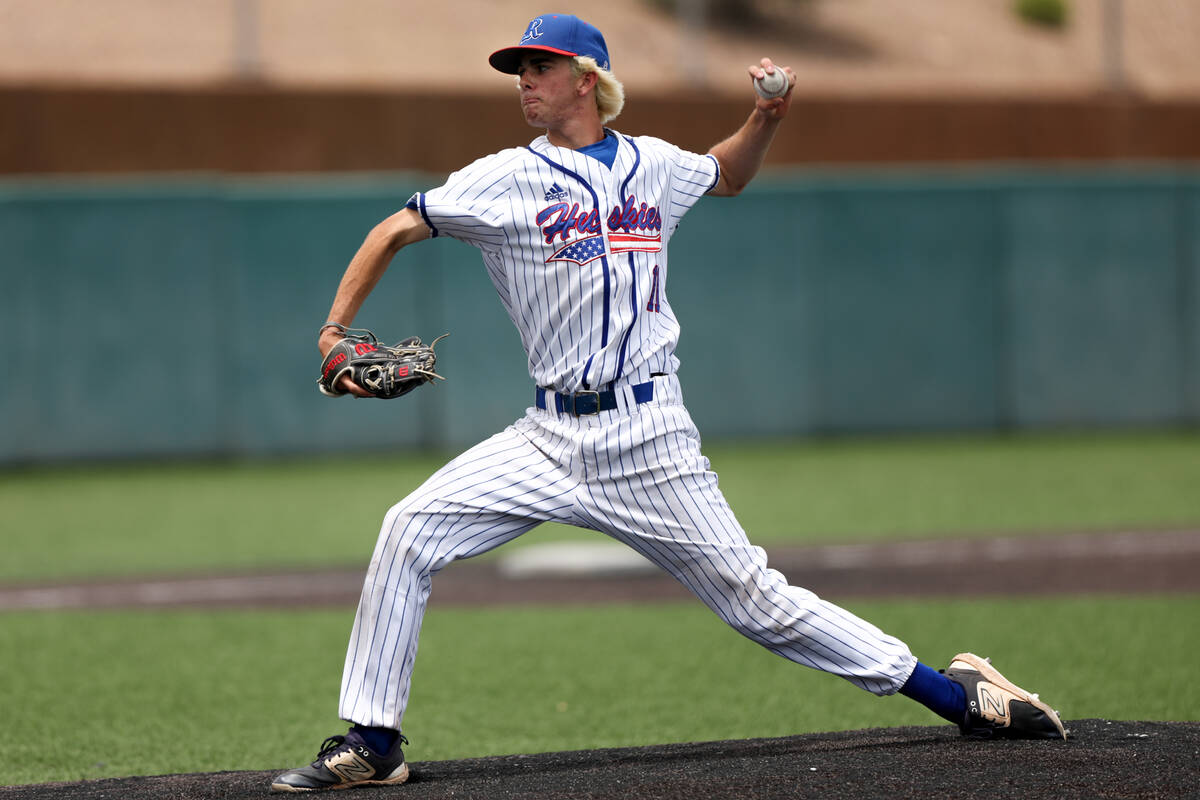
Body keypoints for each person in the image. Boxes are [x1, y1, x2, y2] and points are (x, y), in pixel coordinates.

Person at [271, 13, 1066, 793]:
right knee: (408, 529)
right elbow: (394, 229)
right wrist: (333, 332)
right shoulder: (503, 175)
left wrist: (763, 117)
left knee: (758, 602)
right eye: (519, 70)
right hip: (546, 436)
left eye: (540, 67)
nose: (525, 83)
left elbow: (726, 173)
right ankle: (374, 743)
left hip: (649, 437)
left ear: (589, 80)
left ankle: (960, 697)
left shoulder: (651, 164)